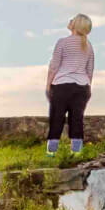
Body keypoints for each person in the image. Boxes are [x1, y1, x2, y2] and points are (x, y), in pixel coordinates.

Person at [43, 14, 94, 155]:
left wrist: (48, 85)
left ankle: (51, 153)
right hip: (82, 87)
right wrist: (88, 87)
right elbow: (89, 70)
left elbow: (54, 66)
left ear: (76, 25)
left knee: (56, 118)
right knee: (76, 119)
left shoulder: (62, 42)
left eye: (72, 20)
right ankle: (76, 153)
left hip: (61, 85)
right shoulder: (88, 46)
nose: (70, 21)